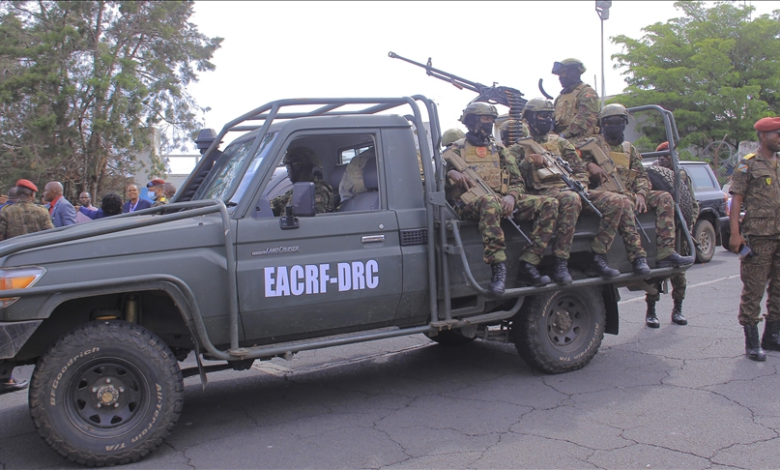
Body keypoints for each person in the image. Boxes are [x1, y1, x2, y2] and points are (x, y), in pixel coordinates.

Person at [511, 98, 643, 279]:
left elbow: (579, 169)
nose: (547, 120)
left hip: (572, 188)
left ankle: (598, 255)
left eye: (550, 116)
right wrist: (528, 162)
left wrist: (581, 184)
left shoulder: (561, 144)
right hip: (541, 193)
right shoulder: (519, 148)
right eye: (542, 116)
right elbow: (513, 177)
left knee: (617, 200)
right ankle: (561, 262)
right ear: (530, 119)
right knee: (570, 198)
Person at [444, 102, 560, 293]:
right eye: (485, 119)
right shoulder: (454, 151)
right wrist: (450, 176)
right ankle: (498, 269)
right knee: (489, 203)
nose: (489, 123)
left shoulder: (499, 150)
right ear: (472, 121)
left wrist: (512, 197)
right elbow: (435, 184)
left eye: (491, 120)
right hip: (471, 205)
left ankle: (529, 263)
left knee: (550, 203)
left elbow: (518, 181)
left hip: (502, 200)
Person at [582, 104, 694, 278]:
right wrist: (590, 166)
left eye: (618, 121)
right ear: (602, 124)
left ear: (624, 123)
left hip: (627, 191)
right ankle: (638, 257)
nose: (613, 125)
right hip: (603, 194)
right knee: (623, 202)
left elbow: (642, 175)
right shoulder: (593, 145)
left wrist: (642, 193)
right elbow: (573, 165)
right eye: (608, 122)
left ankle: (666, 252)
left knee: (664, 197)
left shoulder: (629, 149)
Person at [728, 116, 780, 362]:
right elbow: (736, 200)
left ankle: (772, 336)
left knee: (779, 289)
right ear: (763, 136)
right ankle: (751, 341)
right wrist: (735, 233)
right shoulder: (748, 164)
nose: (779, 138)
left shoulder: (779, 163)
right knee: (754, 290)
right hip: (758, 237)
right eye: (776, 134)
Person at [0, 179, 54, 395]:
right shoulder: (41, 213)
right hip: (36, 269)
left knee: (10, 320)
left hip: (11, 271)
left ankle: (6, 376)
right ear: (31, 195)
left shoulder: (6, 213)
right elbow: (52, 238)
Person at [644, 141, 699, 327]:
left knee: (679, 275)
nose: (663, 158)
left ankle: (678, 310)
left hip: (680, 229)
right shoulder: (650, 174)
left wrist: (687, 226)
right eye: (660, 155)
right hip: (659, 231)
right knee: (653, 276)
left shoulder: (681, 176)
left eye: (667, 155)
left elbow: (692, 204)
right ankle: (651, 311)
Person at [271, 146, 333, 216]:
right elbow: (278, 203)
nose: (288, 170)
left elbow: (310, 220)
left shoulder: (317, 190)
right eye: (288, 167)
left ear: (301, 168)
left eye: (291, 166)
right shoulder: (300, 188)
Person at [551, 59, 600, 145]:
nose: (561, 77)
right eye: (560, 74)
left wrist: (562, 136)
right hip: (562, 140)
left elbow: (585, 119)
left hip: (581, 140)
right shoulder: (560, 97)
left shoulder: (587, 93)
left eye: (563, 73)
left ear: (573, 73)